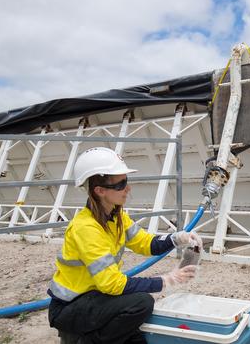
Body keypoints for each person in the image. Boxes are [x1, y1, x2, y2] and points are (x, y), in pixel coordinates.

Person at [47, 147, 201, 343]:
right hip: (71, 307)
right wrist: (166, 280)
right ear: (100, 191)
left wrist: (178, 238)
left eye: (126, 181)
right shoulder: (86, 228)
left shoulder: (116, 216)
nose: (128, 188)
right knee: (141, 303)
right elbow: (112, 284)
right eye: (120, 184)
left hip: (96, 297)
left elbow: (146, 244)